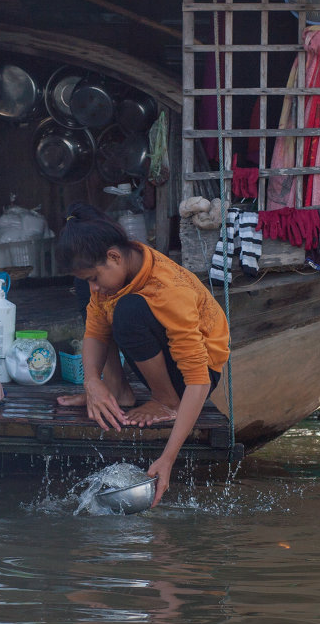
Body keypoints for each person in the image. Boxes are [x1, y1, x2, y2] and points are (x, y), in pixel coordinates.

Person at [55, 203, 230, 506]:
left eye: (96, 277)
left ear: (114, 257)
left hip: (193, 377)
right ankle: (117, 389)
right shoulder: (111, 274)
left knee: (129, 311)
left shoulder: (168, 289)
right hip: (160, 359)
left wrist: (168, 458)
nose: (94, 287)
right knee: (97, 296)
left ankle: (165, 400)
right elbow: (95, 331)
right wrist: (92, 384)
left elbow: (199, 379)